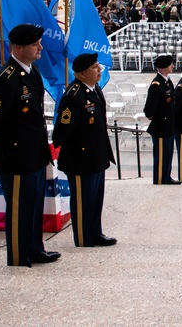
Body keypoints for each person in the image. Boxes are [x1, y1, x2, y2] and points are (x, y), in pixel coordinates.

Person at [0, 23, 61, 267]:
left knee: (33, 207)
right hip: (15, 157)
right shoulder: (6, 79)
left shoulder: (31, 71)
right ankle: (18, 254)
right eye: (35, 44)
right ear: (18, 47)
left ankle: (35, 248)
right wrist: (9, 147)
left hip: (34, 154)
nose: (40, 48)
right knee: (19, 210)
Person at [51, 53, 116, 247]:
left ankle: (95, 232)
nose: (99, 70)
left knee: (95, 200)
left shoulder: (94, 89)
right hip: (80, 158)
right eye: (95, 67)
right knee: (82, 201)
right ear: (81, 73)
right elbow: (61, 131)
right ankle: (83, 237)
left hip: (96, 156)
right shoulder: (73, 95)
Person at [144, 55, 178, 185]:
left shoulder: (167, 81)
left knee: (168, 154)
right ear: (164, 67)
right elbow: (149, 110)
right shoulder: (157, 84)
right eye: (170, 65)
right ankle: (160, 179)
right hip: (160, 127)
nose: (173, 66)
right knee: (161, 155)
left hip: (168, 126)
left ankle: (166, 176)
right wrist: (159, 120)